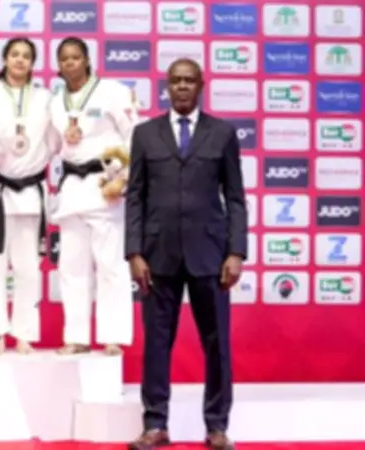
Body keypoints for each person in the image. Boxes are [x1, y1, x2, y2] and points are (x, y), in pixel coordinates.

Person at [124, 58, 246, 450]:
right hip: (157, 257)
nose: (181, 87)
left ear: (201, 85)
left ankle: (217, 426)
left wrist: (236, 251)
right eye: (175, 81)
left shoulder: (222, 133)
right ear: (166, 86)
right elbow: (135, 197)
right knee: (156, 345)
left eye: (188, 81)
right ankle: (155, 424)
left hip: (211, 255)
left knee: (218, 344)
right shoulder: (145, 134)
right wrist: (134, 251)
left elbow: (236, 198)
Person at [48, 37, 139, 356]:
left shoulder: (113, 92)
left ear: (87, 60)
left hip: (105, 187)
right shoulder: (55, 101)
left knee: (111, 265)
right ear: (59, 65)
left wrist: (124, 179)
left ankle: (113, 337)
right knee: (72, 268)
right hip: (72, 188)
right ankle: (76, 337)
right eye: (64, 58)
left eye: (76, 57)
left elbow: (135, 136)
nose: (70, 62)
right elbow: (52, 144)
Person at [0, 38, 55, 354]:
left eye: (26, 56)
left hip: (30, 190)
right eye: (15, 54)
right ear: (4, 58)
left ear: (33, 63)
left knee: (27, 267)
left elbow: (55, 139)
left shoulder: (45, 98)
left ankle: (24, 334)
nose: (20, 60)